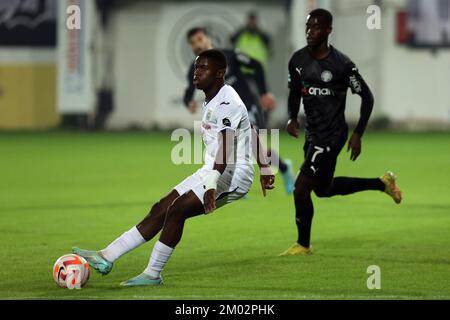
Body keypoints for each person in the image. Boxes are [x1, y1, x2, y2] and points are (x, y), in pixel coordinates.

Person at [72, 49, 275, 286]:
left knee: (177, 210)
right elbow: (249, 128)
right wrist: (265, 166)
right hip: (213, 168)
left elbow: (226, 147)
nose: (195, 73)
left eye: (203, 68)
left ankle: (152, 274)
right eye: (196, 67)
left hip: (233, 174)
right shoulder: (217, 95)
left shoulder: (226, 102)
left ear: (220, 73)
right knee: (161, 207)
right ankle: (106, 256)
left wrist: (213, 182)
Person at [280, 9, 402, 256]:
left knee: (301, 187)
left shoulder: (342, 65)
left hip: (332, 136)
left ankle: (303, 244)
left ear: (328, 31)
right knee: (323, 190)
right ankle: (382, 184)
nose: (310, 32)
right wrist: (292, 116)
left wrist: (358, 133)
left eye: (316, 28)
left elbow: (367, 98)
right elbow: (294, 91)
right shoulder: (297, 61)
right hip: (313, 134)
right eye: (307, 27)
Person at [184, 27, 295, 194]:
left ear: (208, 38)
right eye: (192, 42)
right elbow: (188, 90)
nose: (197, 44)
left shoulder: (229, 55)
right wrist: (188, 102)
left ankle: (285, 169)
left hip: (247, 106)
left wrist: (264, 93)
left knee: (256, 148)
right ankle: (234, 184)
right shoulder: (195, 68)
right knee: (230, 151)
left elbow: (256, 66)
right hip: (223, 115)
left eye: (200, 39)